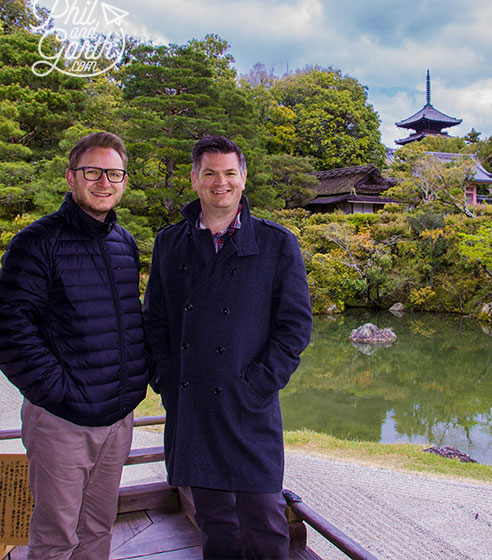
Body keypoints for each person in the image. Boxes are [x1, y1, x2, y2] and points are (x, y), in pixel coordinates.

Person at [143, 134, 312, 559]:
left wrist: (259, 382)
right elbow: (156, 320)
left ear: (244, 177)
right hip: (194, 403)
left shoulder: (276, 243)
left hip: (249, 403)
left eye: (230, 173)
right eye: (211, 174)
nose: (222, 182)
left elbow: (295, 326)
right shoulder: (170, 242)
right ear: (195, 180)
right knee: (214, 523)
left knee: (265, 523)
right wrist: (166, 376)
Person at [0, 132, 147, 560]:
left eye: (114, 173)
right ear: (71, 177)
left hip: (118, 418)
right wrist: (55, 392)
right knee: (55, 537)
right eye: (93, 172)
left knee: (98, 528)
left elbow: (128, 319)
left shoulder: (124, 243)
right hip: (62, 422)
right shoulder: (36, 242)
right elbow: (10, 328)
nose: (104, 181)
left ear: (124, 181)